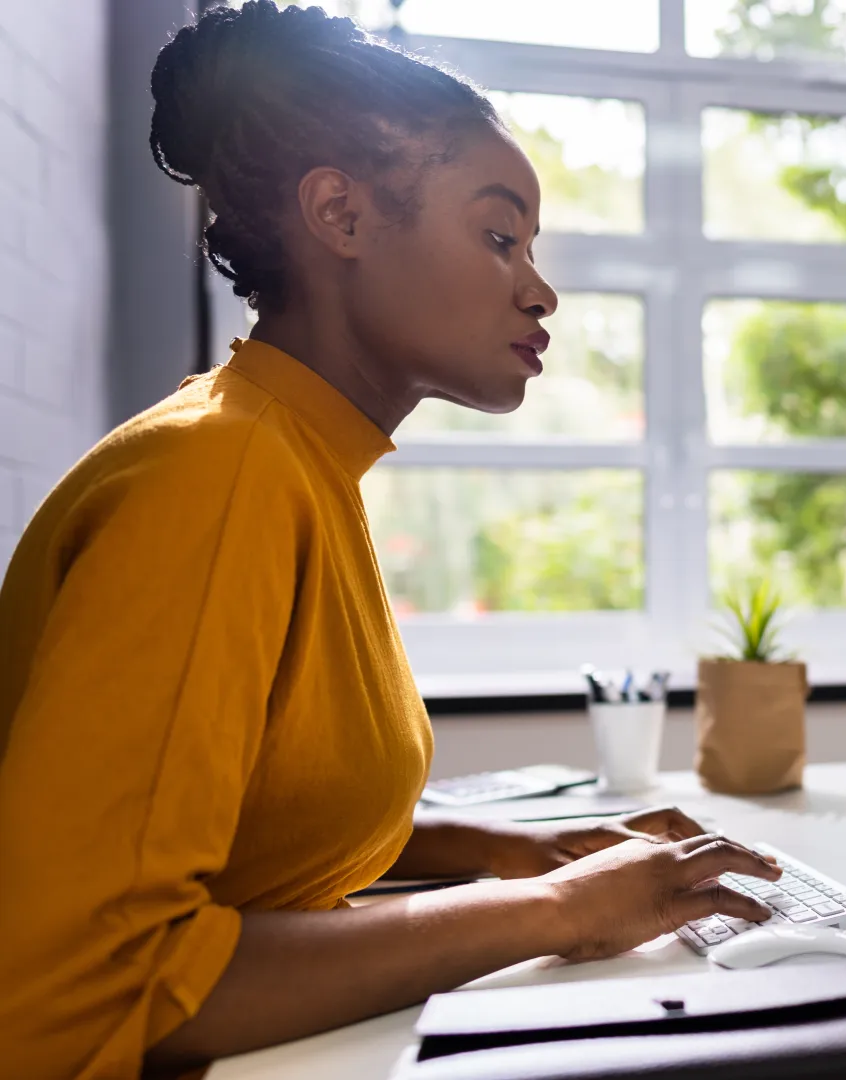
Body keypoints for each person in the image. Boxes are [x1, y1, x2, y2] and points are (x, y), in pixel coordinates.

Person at [0, 5, 780, 1076]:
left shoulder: (297, 464)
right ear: (342, 215)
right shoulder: (217, 479)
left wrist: (500, 852)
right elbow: (87, 978)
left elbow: (246, 820)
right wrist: (554, 911)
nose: (539, 288)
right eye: (500, 235)